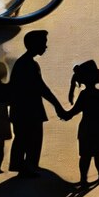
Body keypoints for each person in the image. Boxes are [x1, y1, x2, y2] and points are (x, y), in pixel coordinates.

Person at [8, 30, 65, 177]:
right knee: (31, 139)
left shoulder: (24, 63)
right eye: (43, 43)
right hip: (29, 111)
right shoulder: (29, 65)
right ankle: (28, 166)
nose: (46, 46)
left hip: (23, 110)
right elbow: (41, 88)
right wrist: (58, 106)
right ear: (35, 44)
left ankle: (23, 166)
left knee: (23, 138)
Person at [62, 60, 99, 186]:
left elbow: (74, 111)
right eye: (97, 72)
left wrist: (65, 115)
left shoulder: (84, 95)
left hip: (86, 129)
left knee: (86, 156)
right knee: (97, 155)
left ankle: (85, 179)